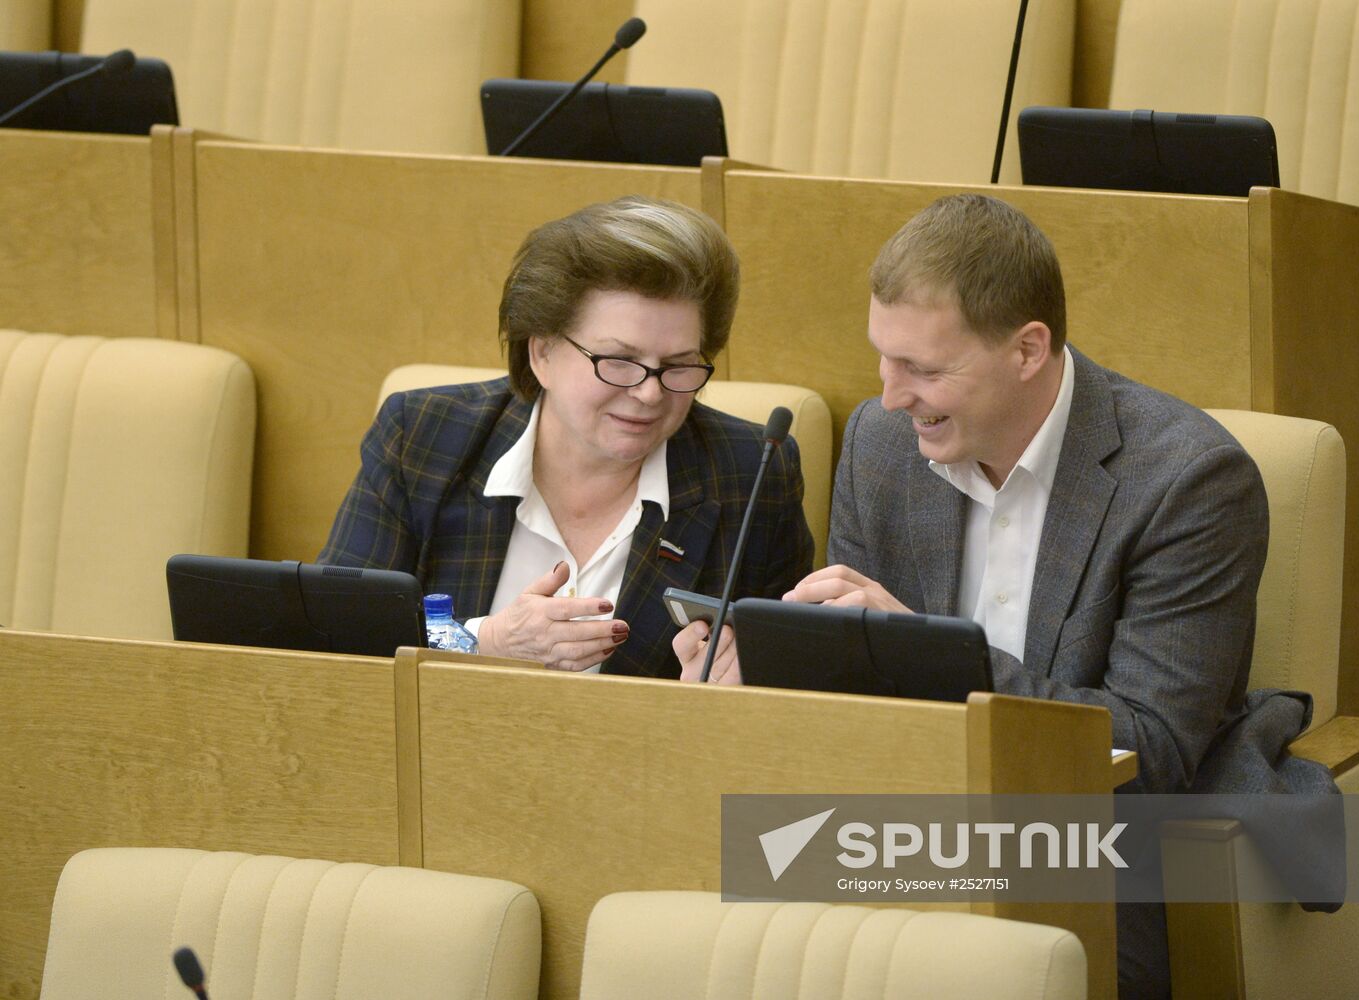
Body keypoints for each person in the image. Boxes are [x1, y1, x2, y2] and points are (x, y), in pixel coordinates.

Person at [674, 193, 1269, 996]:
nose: (891, 396)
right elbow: (851, 696)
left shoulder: (1187, 481)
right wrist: (763, 673)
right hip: (896, 817)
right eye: (884, 359)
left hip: (1088, 844)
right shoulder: (881, 445)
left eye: (923, 370)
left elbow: (1151, 750)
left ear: (1027, 350)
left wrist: (924, 655)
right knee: (697, 891)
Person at [321, 195, 813, 677]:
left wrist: (727, 692)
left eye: (679, 365)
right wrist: (484, 643)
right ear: (542, 353)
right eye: (619, 361)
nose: (649, 393)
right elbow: (332, 638)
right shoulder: (423, 435)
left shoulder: (752, 473)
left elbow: (787, 676)